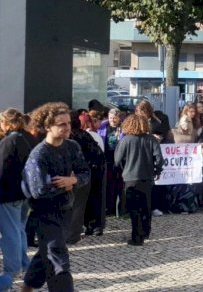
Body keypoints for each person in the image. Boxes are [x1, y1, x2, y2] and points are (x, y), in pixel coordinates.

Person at [21, 102, 90, 292]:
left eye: (68, 123)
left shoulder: (72, 146)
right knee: (57, 257)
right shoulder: (39, 155)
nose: (67, 127)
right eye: (61, 124)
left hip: (66, 210)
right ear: (48, 127)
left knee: (46, 252)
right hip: (44, 214)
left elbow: (85, 173)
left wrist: (72, 181)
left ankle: (27, 287)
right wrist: (64, 185)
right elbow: (38, 190)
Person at [0, 109, 37, 292]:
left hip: (8, 194)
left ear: (7, 122)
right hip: (23, 194)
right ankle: (24, 264)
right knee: (18, 229)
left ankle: (10, 273)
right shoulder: (27, 138)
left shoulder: (10, 140)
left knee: (10, 233)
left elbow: (2, 169)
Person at [114, 114, 164, 246]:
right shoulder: (151, 140)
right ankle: (146, 231)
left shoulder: (125, 140)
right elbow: (159, 159)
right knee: (146, 206)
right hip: (147, 177)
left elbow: (117, 160)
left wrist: (123, 169)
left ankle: (137, 236)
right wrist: (157, 171)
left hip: (130, 177)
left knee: (134, 207)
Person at [67, 113, 103, 244]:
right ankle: (77, 233)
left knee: (72, 205)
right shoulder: (86, 135)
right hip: (90, 172)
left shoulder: (70, 138)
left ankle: (70, 235)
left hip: (74, 174)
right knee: (80, 205)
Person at [98, 109, 125, 217]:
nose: (112, 120)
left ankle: (118, 208)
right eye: (110, 118)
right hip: (107, 159)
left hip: (120, 160)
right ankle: (109, 207)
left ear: (119, 118)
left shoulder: (123, 129)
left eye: (114, 118)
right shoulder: (102, 127)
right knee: (108, 185)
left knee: (119, 184)